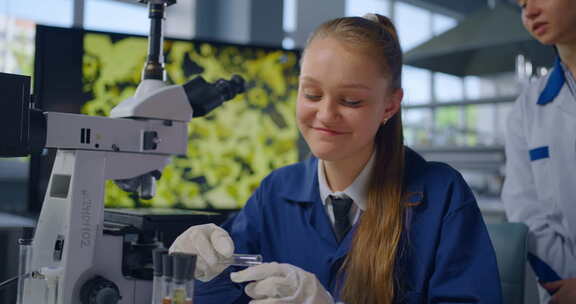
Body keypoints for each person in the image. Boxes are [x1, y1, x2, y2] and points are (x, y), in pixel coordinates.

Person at [170, 14, 502, 304]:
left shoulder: (440, 194)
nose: (326, 114)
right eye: (311, 94)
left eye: (351, 101)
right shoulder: (276, 191)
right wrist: (199, 269)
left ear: (389, 106)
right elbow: (222, 293)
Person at [502, 0, 576, 303]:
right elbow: (525, 209)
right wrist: (568, 282)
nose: (529, 12)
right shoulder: (528, 107)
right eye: (521, 4)